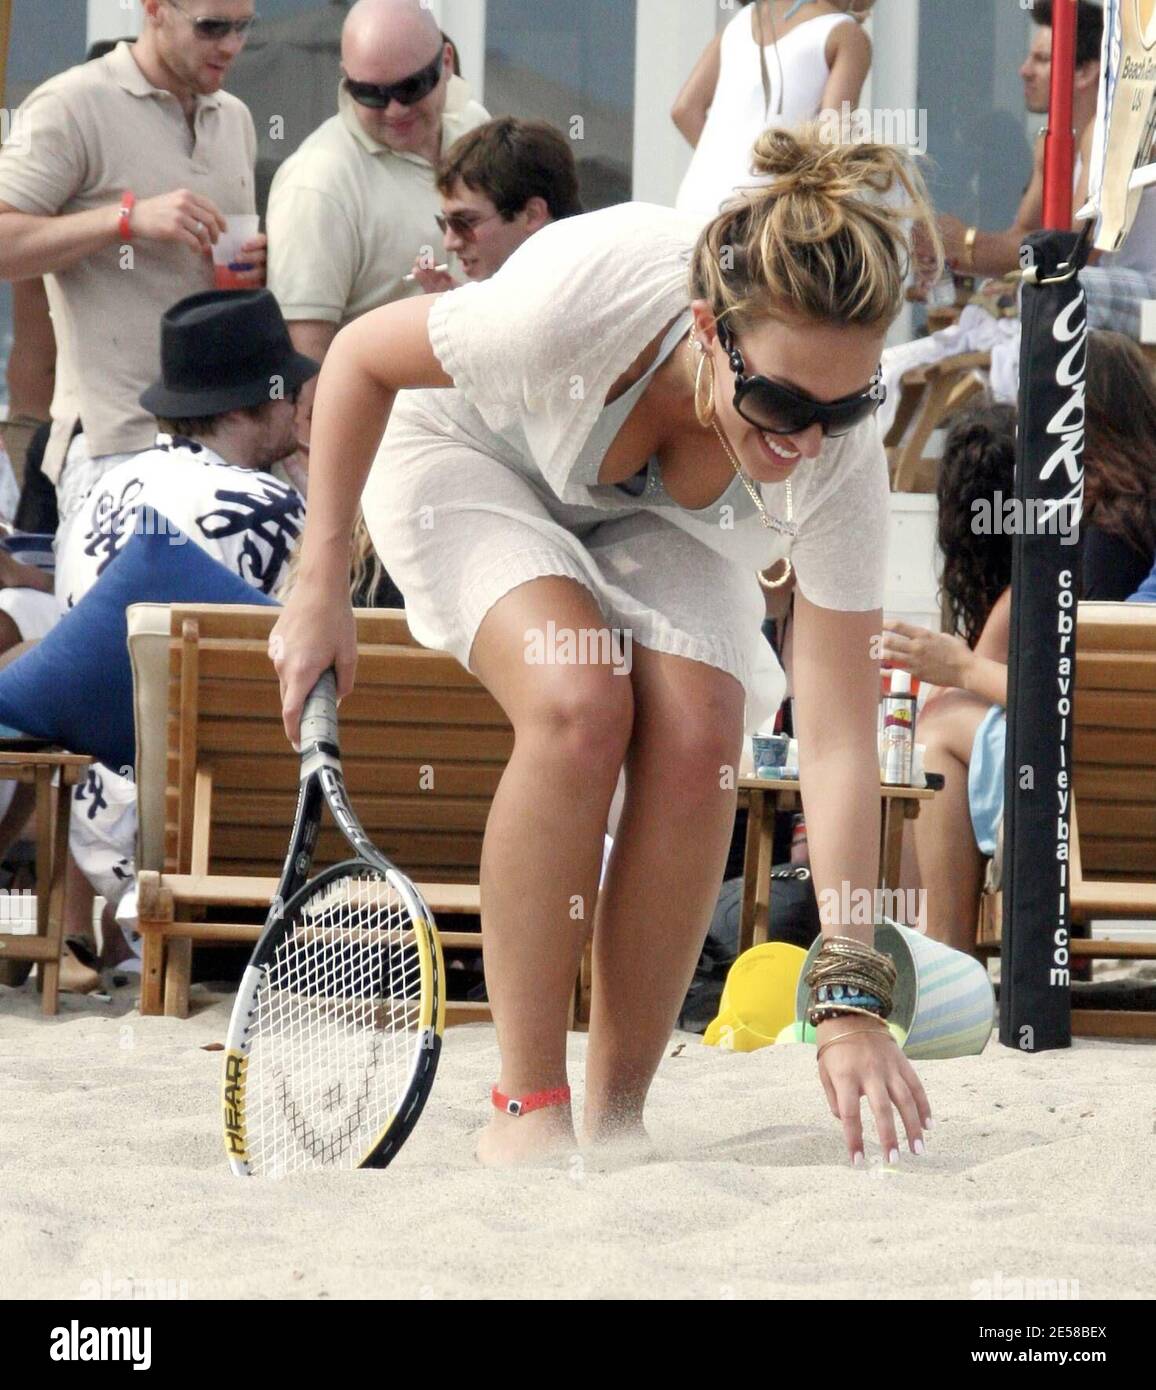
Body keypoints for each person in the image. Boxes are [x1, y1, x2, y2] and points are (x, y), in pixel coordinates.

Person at [270, 125, 938, 1169]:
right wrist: (319, 586)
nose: (805, 442)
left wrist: (847, 991)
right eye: (780, 403)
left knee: (706, 731)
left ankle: (617, 1121)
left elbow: (842, 735)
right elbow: (357, 359)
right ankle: (525, 1105)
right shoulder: (570, 309)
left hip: (646, 518)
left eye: (840, 408)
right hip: (466, 452)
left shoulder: (833, 449)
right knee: (582, 700)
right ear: (710, 330)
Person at [48, 288, 314, 975]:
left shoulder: (101, 492)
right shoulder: (270, 507)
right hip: (211, 834)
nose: (300, 405)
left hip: (104, 828)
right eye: (288, 393)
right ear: (238, 407)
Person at [884, 334, 1156, 949]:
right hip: (1131, 790)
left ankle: (944, 956)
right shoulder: (1137, 525)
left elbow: (1073, 700)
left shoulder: (1105, 539)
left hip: (1096, 801)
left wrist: (958, 665)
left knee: (938, 728)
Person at [0, 1, 267, 531]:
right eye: (212, 27)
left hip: (224, 446)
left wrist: (253, 271)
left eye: (243, 28)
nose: (231, 46)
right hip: (116, 446)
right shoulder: (72, 103)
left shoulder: (233, 116)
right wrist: (126, 219)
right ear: (154, 10)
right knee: (130, 617)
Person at [266, 0, 488, 451]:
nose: (394, 109)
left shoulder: (474, 126)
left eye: (412, 87)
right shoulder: (318, 181)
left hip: (484, 422)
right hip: (389, 446)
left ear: (446, 63)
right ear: (346, 81)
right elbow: (307, 366)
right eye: (370, 93)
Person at [673, 1, 874, 219]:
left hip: (696, 198)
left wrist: (731, 162)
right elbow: (833, 139)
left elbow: (684, 110)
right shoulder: (847, 35)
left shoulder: (749, 16)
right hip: (762, 212)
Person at [409, 117, 583, 293]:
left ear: (532, 214)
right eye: (445, 223)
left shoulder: (579, 296)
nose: (449, 243)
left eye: (465, 222)